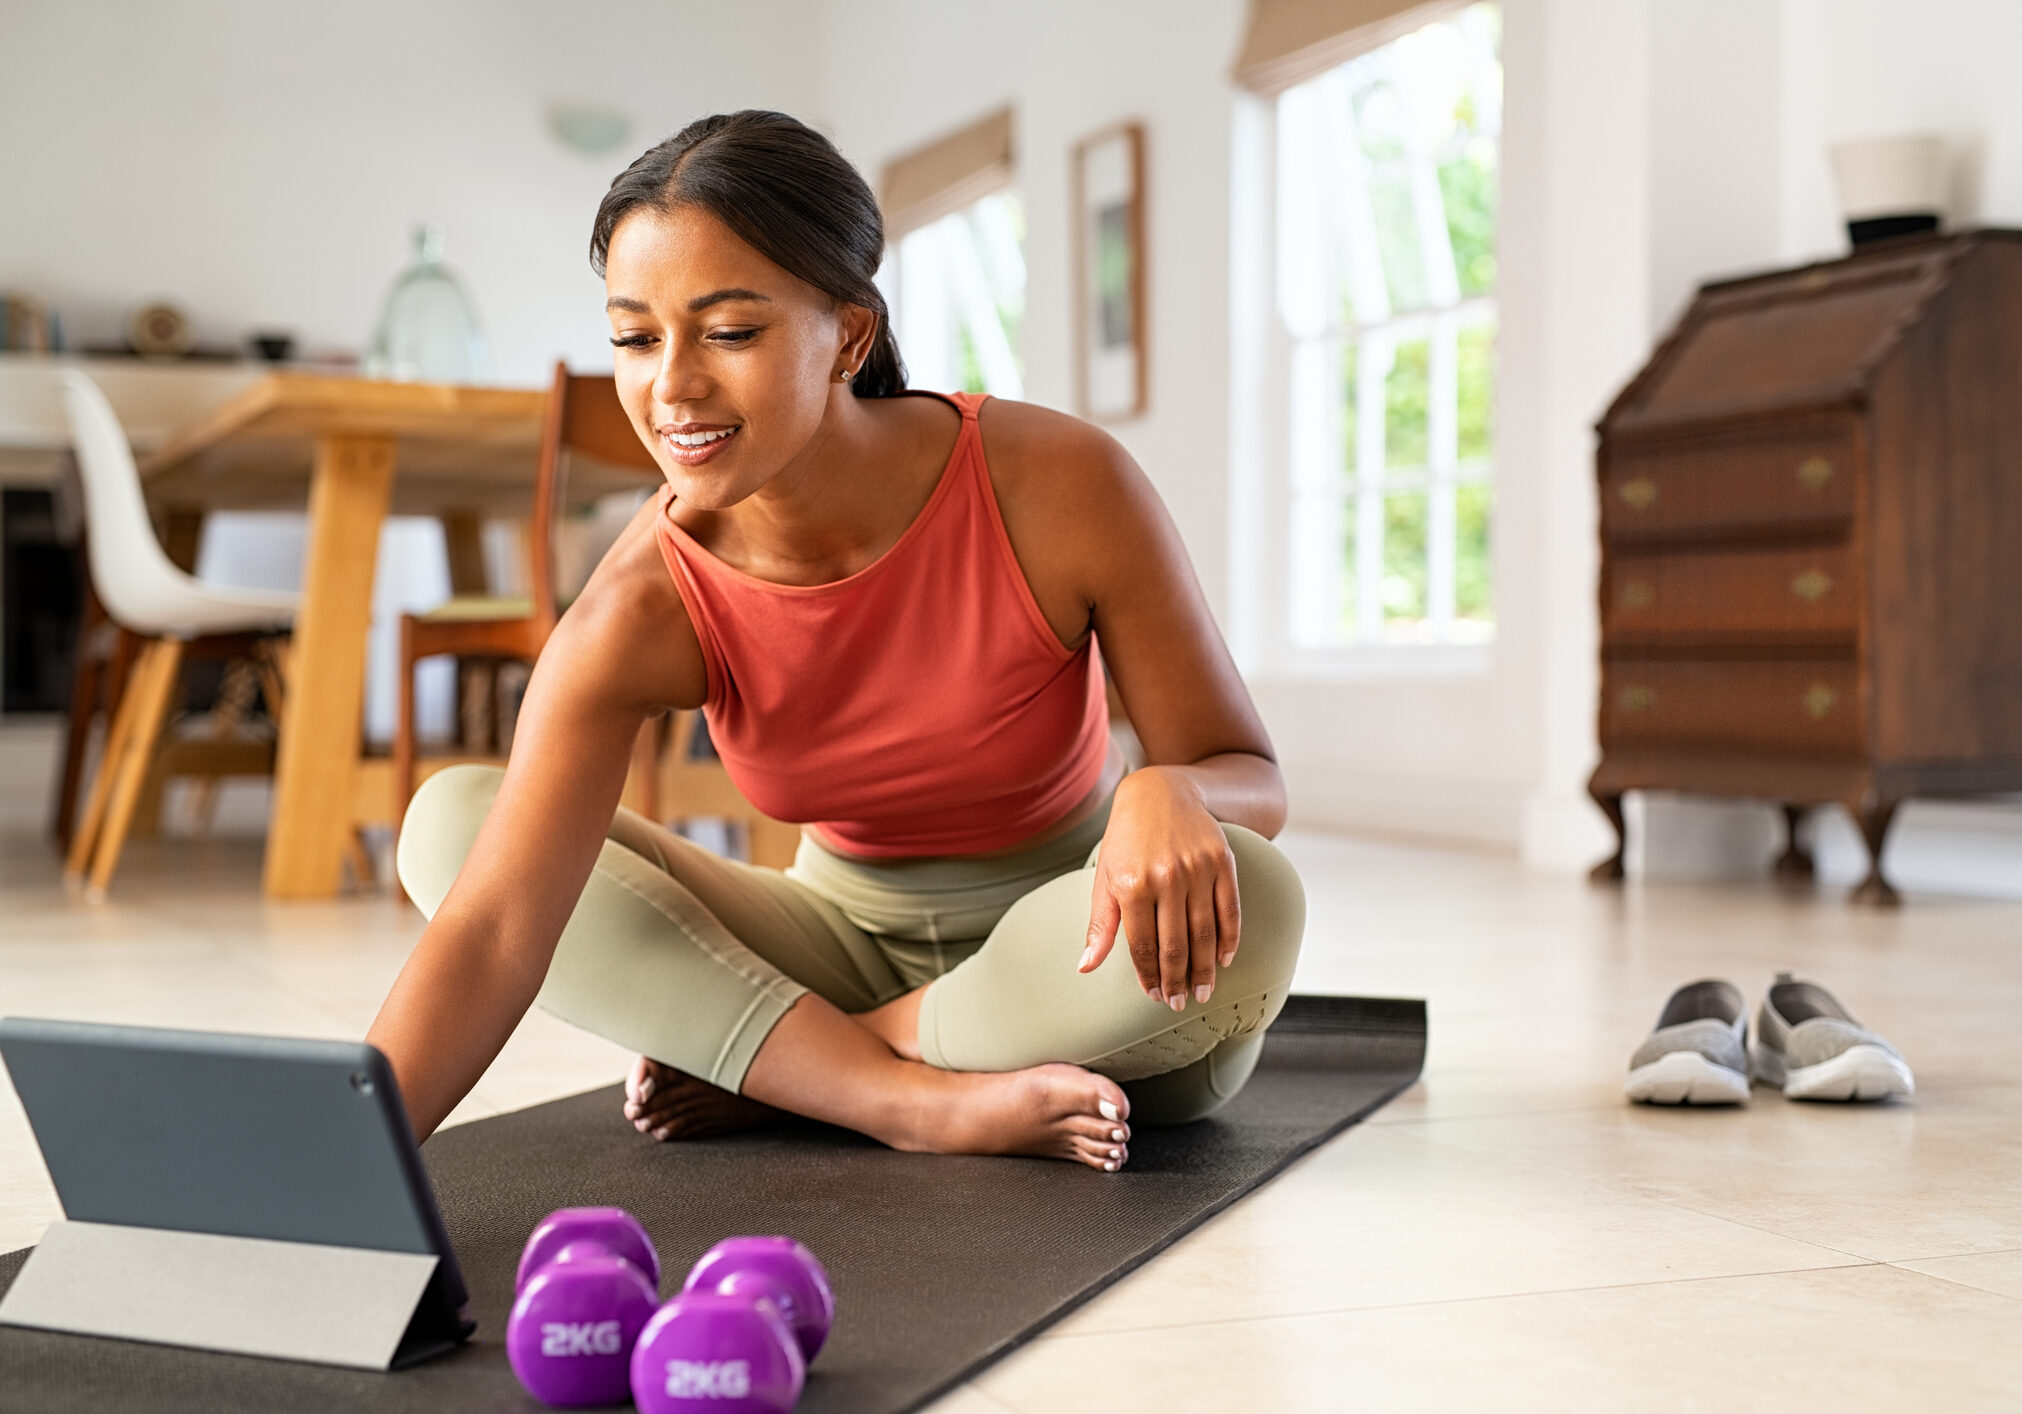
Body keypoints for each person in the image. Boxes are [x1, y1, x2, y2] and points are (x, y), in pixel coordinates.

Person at [368, 110, 1304, 1174]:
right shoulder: (644, 599)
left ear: (848, 337)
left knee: (1258, 899)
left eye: (727, 332)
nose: (670, 386)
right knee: (451, 826)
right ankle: (902, 1099)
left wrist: (1170, 792)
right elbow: (495, 933)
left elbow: (1251, 776)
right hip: (832, 938)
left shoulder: (1059, 485)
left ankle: (811, 1064)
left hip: (1071, 947)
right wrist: (342, 1168)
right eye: (634, 337)